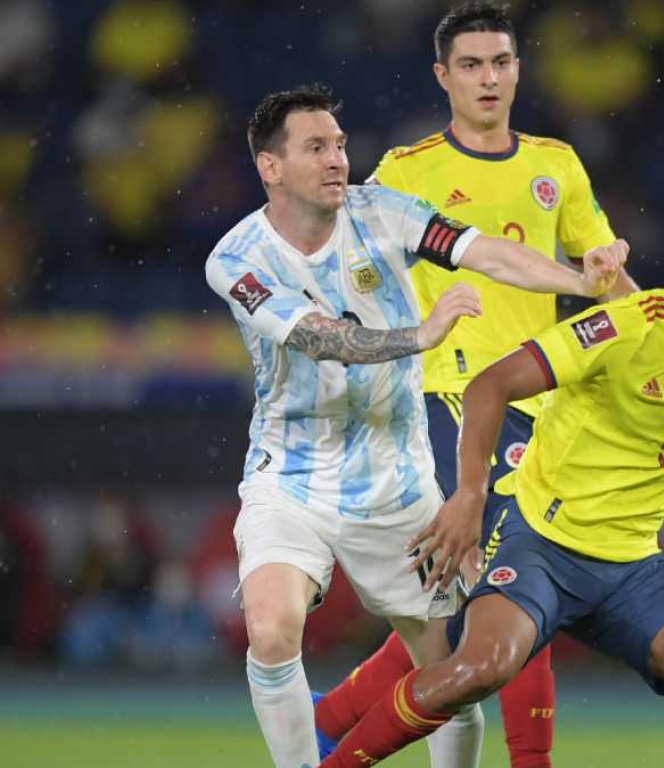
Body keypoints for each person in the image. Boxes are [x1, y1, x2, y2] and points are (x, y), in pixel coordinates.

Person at [205, 83, 624, 768]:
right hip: (291, 479)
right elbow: (319, 338)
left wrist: (580, 281)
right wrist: (421, 335)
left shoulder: (386, 213)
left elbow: (486, 251)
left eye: (339, 144)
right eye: (316, 147)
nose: (337, 158)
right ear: (270, 168)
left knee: (450, 673)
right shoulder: (236, 259)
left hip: (397, 485)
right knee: (272, 629)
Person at [316, 207, 664, 768]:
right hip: (542, 547)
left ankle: (328, 718)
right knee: (478, 669)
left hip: (631, 564)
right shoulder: (623, 327)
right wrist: (472, 495)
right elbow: (491, 384)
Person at [312, 5, 640, 765]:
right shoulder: (407, 170)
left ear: (519, 70)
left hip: (549, 409)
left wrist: (656, 329)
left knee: (473, 619)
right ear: (443, 76)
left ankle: (327, 725)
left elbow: (606, 281)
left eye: (500, 62)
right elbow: (355, 281)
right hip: (449, 403)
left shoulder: (557, 163)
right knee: (526, 588)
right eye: (471, 65)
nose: (488, 78)